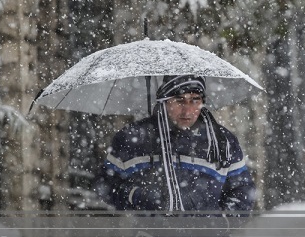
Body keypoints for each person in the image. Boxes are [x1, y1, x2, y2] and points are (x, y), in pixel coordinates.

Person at [94, 74, 256, 215]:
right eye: (179, 100)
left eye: (195, 100)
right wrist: (136, 196)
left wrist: (222, 221)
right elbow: (105, 184)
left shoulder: (223, 141)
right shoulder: (133, 137)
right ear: (165, 101)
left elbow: (243, 190)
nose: (187, 110)